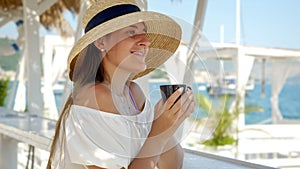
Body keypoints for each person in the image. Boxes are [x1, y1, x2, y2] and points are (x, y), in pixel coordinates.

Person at [47, 0, 195, 168]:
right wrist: (159, 131)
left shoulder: (133, 93)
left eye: (144, 33)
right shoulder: (94, 98)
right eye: (131, 32)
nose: (145, 41)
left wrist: (168, 123)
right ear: (101, 42)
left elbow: (171, 165)